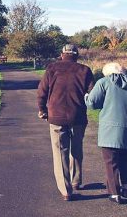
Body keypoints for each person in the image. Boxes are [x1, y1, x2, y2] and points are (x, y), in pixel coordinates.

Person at [37, 44, 94, 201]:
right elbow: (92, 93)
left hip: (56, 116)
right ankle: (76, 181)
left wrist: (42, 109)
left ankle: (66, 191)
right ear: (76, 55)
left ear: (62, 54)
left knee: (60, 152)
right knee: (76, 149)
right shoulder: (85, 70)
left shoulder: (52, 68)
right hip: (78, 117)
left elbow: (42, 91)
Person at [85, 62, 127, 204]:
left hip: (110, 130)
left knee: (111, 162)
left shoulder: (104, 82)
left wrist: (86, 96)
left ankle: (115, 193)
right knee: (125, 161)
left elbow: (92, 103)